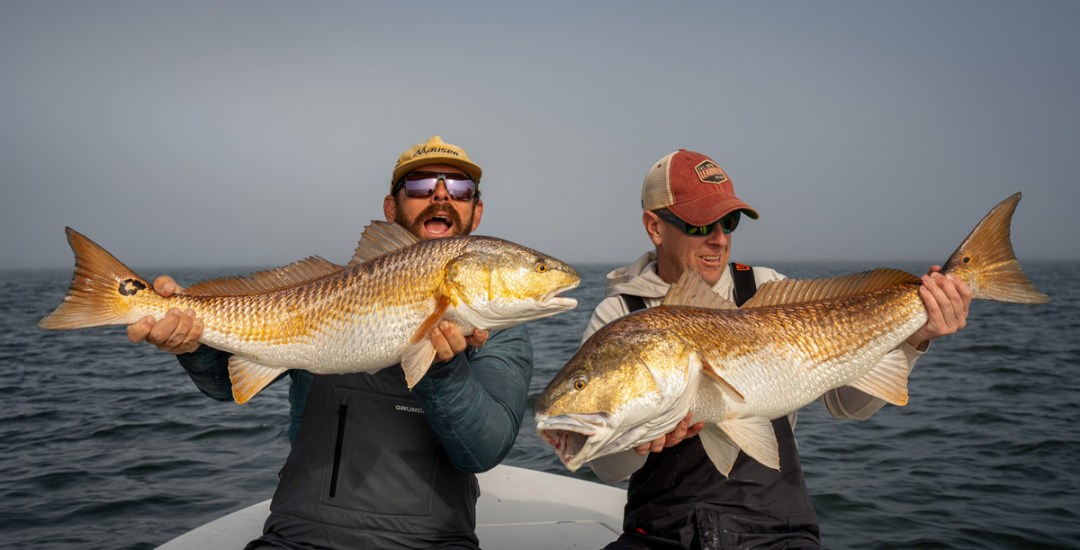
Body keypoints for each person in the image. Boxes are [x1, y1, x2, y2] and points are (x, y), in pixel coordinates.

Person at [127, 136, 534, 549]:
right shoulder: (327, 290)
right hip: (298, 537)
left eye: (460, 189)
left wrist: (444, 367)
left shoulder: (499, 328)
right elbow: (224, 383)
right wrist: (191, 344)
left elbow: (482, 451)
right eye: (420, 187)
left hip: (434, 542)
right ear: (391, 209)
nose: (441, 196)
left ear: (476, 211)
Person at [584, 148, 972, 549]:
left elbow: (847, 405)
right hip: (662, 535)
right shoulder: (617, 316)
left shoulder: (768, 290)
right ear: (655, 227)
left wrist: (913, 338)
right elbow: (607, 468)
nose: (719, 240)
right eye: (700, 225)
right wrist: (638, 440)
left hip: (777, 531)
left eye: (729, 222)